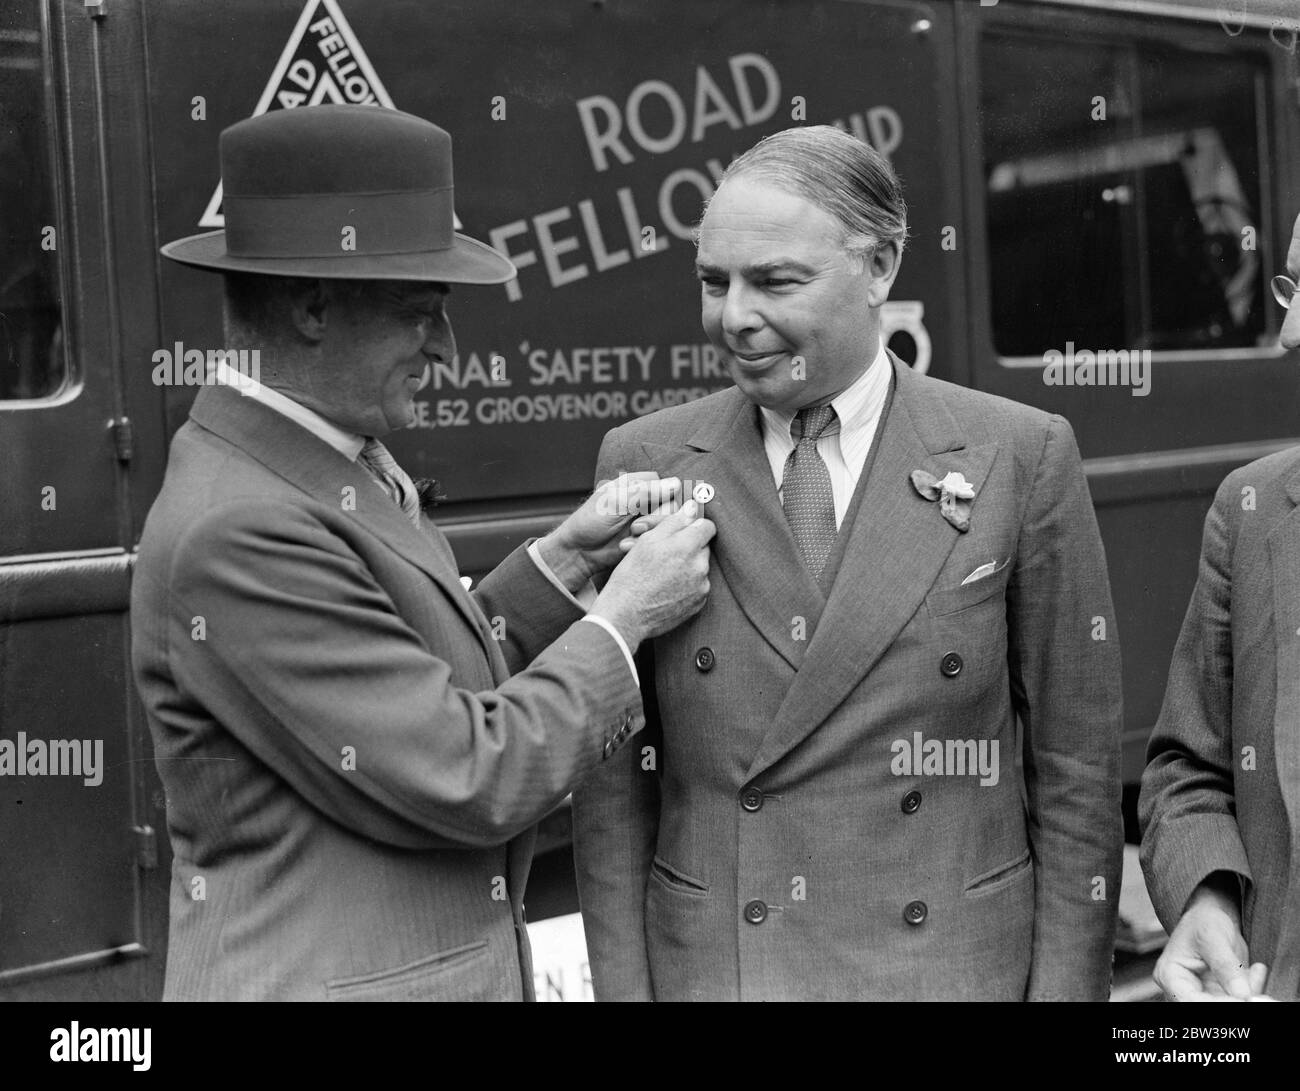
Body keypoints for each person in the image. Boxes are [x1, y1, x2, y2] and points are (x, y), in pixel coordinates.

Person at [132, 104, 714, 1001]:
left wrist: (561, 560)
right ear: (313, 305)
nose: (445, 348)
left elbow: (409, 676)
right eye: (420, 312)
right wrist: (627, 612)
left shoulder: (308, 463)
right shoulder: (242, 527)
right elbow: (468, 771)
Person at [572, 125, 1124, 1001]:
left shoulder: (1018, 453)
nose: (735, 317)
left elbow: (1076, 774)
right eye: (713, 283)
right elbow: (611, 794)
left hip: (950, 965)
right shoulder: (646, 460)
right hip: (724, 969)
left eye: (776, 281)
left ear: (881, 267)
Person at [1138, 213, 1300, 1003]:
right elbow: (1187, 767)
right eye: (1292, 287)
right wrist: (1207, 893)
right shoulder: (1253, 507)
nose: (1290, 331)